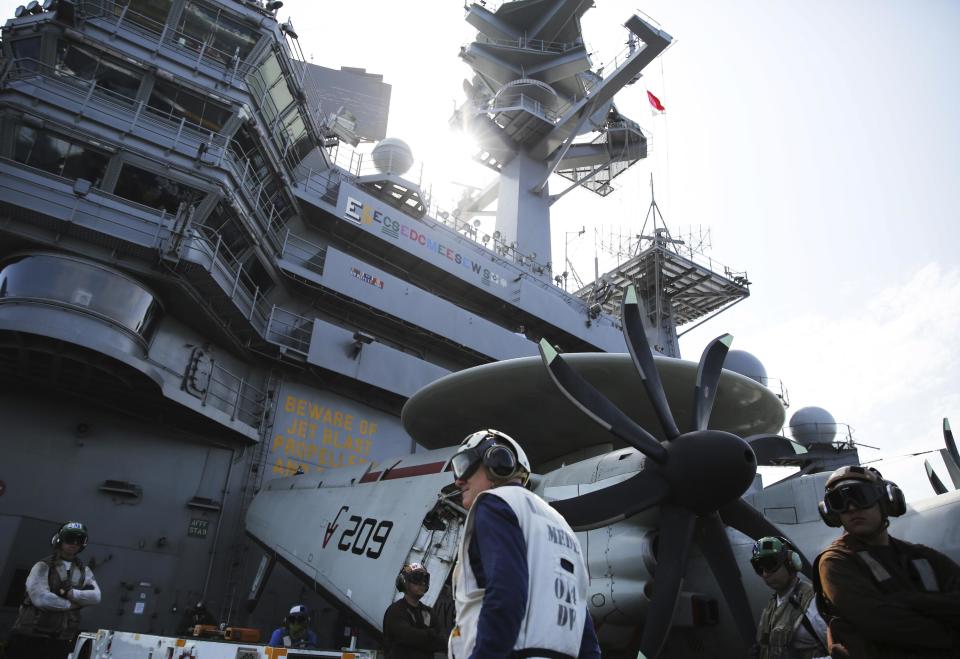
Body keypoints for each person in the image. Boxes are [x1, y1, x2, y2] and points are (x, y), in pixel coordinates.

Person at [447, 429, 601, 659]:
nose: (458, 480)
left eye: (464, 466)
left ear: (497, 460)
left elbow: (505, 593)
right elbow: (583, 624)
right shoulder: (561, 525)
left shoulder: (495, 504)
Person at [814, 465, 960, 658]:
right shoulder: (835, 562)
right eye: (839, 501)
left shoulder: (921, 556)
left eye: (861, 496)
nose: (851, 507)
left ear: (887, 500)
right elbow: (878, 621)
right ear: (831, 513)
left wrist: (907, 600)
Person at [6, 521, 101, 659]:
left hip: (60, 640)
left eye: (78, 539)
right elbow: (42, 599)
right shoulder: (43, 566)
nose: (74, 543)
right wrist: (73, 604)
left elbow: (95, 596)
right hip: (29, 637)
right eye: (69, 538)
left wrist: (70, 593)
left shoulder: (84, 572)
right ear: (59, 540)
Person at [749, 536, 828, 659]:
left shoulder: (813, 603)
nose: (765, 574)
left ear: (791, 563)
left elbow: (844, 651)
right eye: (759, 567)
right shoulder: (772, 607)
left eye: (770, 565)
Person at [381, 562, 446, 659]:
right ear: (405, 582)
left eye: (425, 578)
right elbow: (407, 636)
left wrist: (418, 638)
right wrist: (431, 634)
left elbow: (442, 642)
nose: (423, 582)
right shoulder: (395, 610)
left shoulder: (429, 612)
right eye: (417, 578)